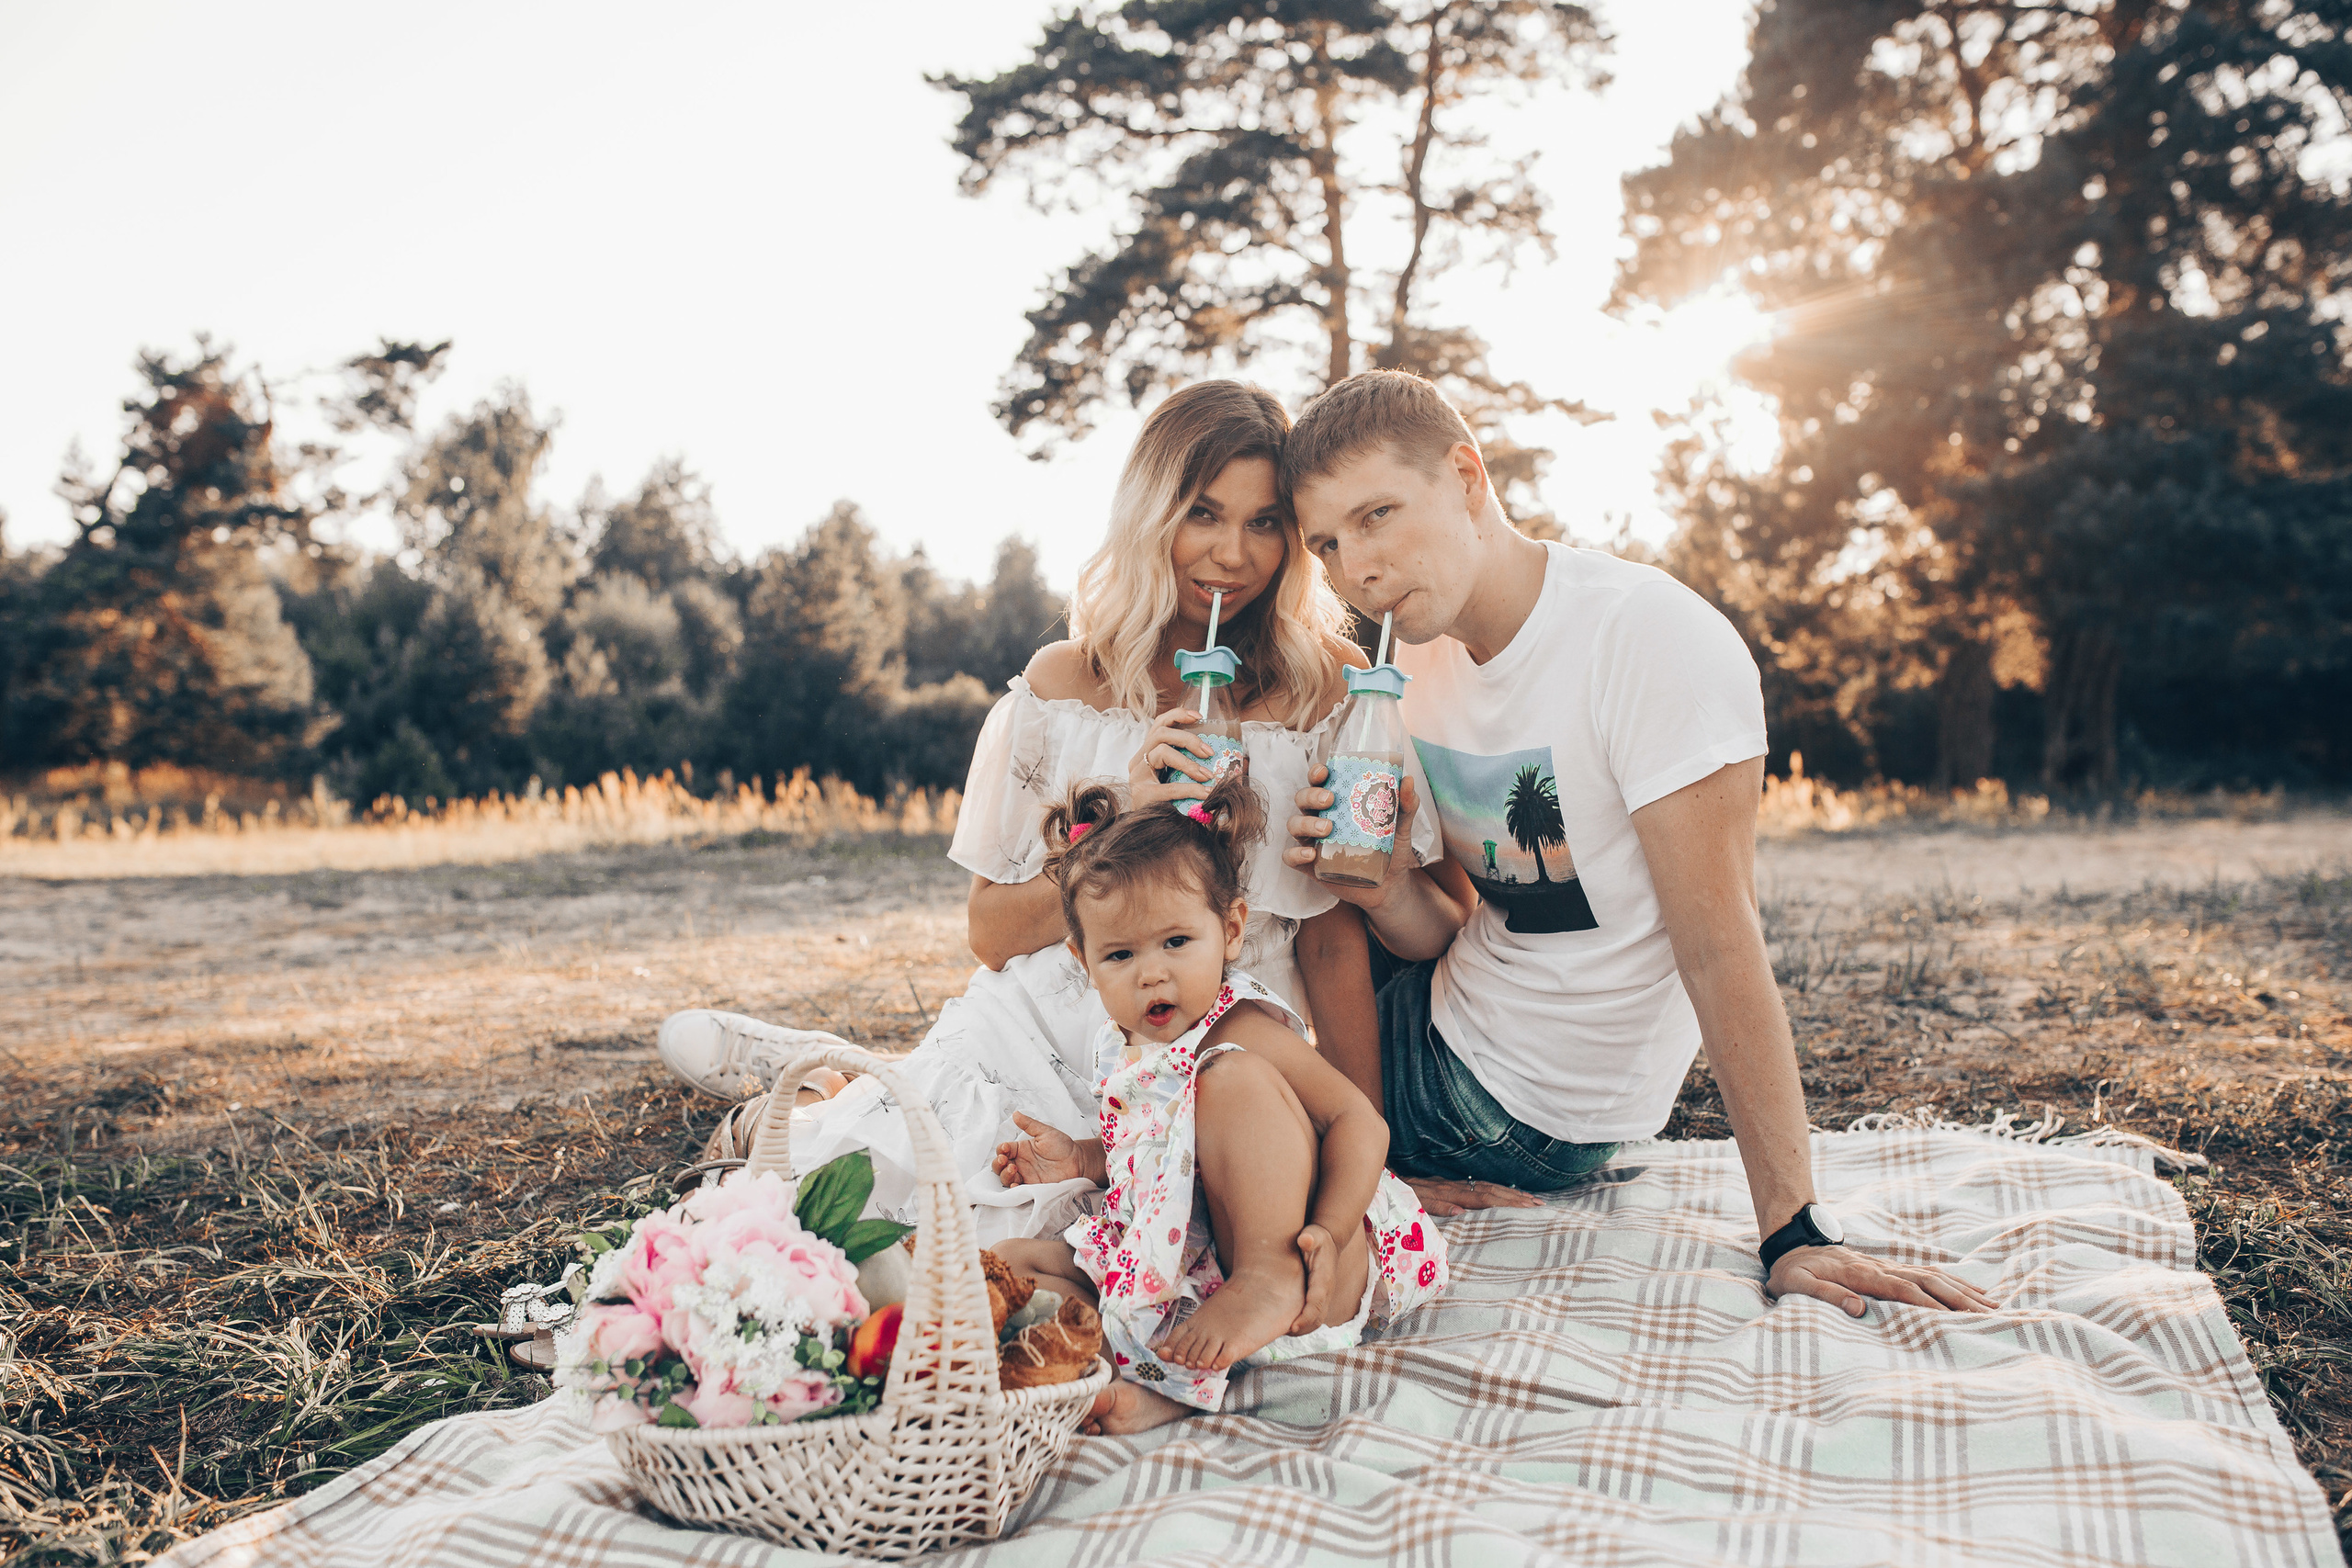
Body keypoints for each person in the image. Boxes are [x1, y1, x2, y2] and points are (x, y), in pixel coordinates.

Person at [1278, 369, 1995, 1316]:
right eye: (1325, 542)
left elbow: (1718, 940)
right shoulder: (1412, 661)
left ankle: (1350, 1172)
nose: (1353, 568)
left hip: (1506, 1103)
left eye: (1377, 515)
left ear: (1466, 476)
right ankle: (1363, 1167)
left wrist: (1792, 1228)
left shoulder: (1646, 638)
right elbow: (1444, 928)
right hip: (1454, 1032)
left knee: (1182, 1056)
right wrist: (1370, 889)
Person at [656, 380, 1434, 1241]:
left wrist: (1376, 1157)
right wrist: (1119, 823)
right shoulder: (1066, 686)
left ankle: (838, 1081)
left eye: (1264, 523)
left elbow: (1328, 939)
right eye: (1203, 514)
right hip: (1034, 1030)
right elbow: (991, 932)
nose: (1233, 556)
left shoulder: (1330, 692)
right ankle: (804, 1109)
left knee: (1111, 1254)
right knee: (880, 1218)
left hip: (1212, 1062)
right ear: (1152, 512)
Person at [989, 773, 1447, 1434]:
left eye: (1177, 942)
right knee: (1022, 1259)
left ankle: (1263, 1282)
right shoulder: (1119, 1047)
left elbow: (1360, 1122)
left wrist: (1332, 1232)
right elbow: (1159, 1148)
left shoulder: (1237, 1024)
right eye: (1120, 953)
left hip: (1306, 1255)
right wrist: (1085, 1156)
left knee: (1228, 1079)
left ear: (1231, 929)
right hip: (1193, 1268)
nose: (1153, 971)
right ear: (1084, 960)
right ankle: (1141, 1377)